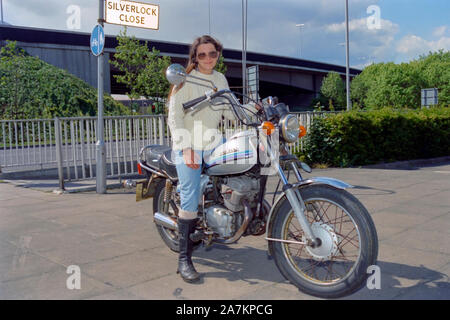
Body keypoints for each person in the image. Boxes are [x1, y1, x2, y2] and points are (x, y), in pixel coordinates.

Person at [167, 35, 260, 283]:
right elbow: (174, 118)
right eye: (202, 55)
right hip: (190, 144)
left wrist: (257, 109)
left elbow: (232, 111)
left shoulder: (220, 79)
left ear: (218, 54)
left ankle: (229, 211)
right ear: (194, 58)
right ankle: (184, 259)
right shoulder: (185, 80)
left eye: (212, 53)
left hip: (214, 141)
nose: (208, 58)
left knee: (245, 163)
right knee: (190, 195)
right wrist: (186, 148)